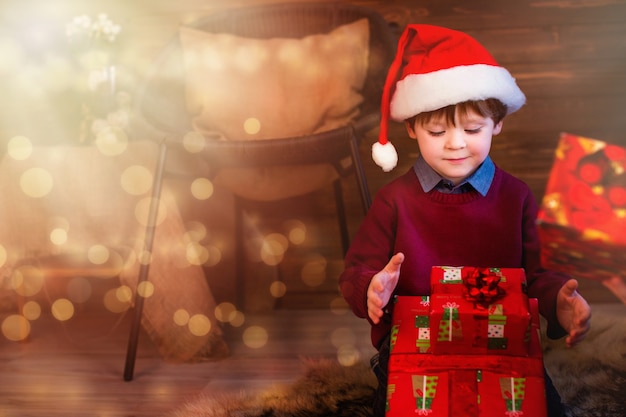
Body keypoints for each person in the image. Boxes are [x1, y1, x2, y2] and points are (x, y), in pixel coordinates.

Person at [338, 24, 592, 417]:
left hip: (503, 343)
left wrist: (560, 301)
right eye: (437, 131)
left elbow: (538, 274)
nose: (455, 143)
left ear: (497, 123)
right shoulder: (394, 201)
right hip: (415, 346)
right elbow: (356, 271)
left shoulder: (517, 197)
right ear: (411, 128)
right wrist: (371, 288)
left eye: (472, 129)